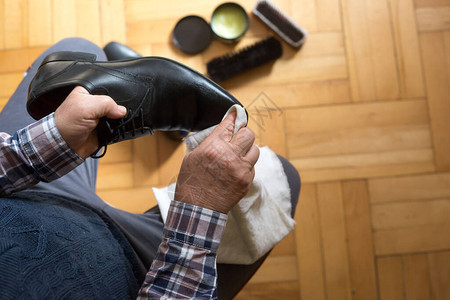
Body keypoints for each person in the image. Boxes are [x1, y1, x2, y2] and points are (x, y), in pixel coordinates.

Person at [0, 38, 300, 299]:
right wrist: (200, 208)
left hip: (26, 198)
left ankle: (158, 123)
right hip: (135, 269)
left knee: (77, 49)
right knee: (280, 177)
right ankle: (172, 127)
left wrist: (38, 149)